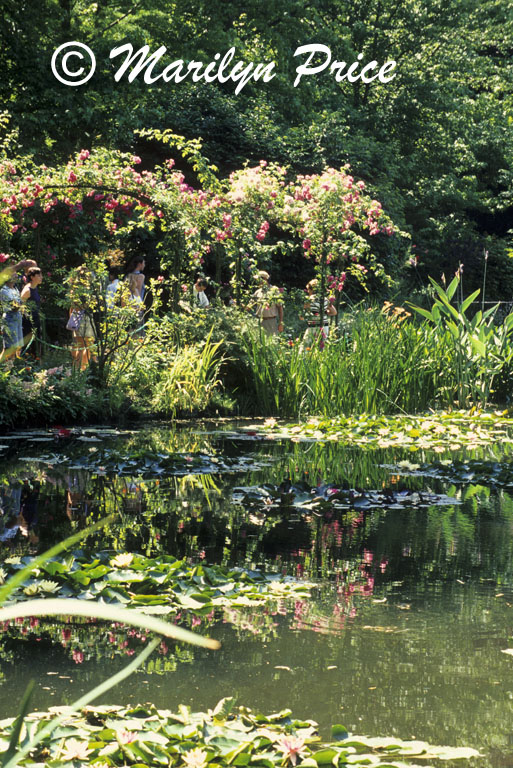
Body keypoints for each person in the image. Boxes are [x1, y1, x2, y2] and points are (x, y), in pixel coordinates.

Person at [67, 265, 96, 370]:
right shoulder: (84, 290)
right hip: (84, 318)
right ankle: (83, 369)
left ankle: (78, 370)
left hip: (76, 318)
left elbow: (71, 307)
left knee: (80, 346)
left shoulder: (73, 289)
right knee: (86, 346)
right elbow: (84, 306)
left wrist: (71, 320)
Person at [301, 278, 336, 349]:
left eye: (308, 289)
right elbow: (334, 312)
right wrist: (324, 312)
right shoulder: (325, 299)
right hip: (324, 326)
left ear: (311, 289)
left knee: (305, 347)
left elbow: (302, 316)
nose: (308, 292)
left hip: (313, 326)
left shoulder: (309, 299)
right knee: (322, 348)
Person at [249, 270, 284, 335]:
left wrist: (280, 323)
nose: (257, 282)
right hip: (259, 322)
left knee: (271, 342)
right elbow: (249, 306)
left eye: (258, 280)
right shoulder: (257, 292)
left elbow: (280, 308)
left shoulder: (274, 290)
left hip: (271, 322)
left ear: (265, 279)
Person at [21, 267, 43, 354]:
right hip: (28, 322)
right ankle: (23, 363)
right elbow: (20, 305)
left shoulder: (35, 288)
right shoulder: (27, 290)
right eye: (39, 275)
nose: (41, 277)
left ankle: (35, 363)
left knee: (36, 345)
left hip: (35, 319)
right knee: (27, 345)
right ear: (32, 277)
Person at [0, 274, 23, 358]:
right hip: (10, 319)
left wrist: (20, 305)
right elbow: (14, 306)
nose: (16, 275)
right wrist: (21, 305)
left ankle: (15, 367)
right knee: (9, 348)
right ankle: (5, 368)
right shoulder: (4, 290)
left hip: (18, 318)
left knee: (18, 347)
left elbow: (19, 303)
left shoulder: (15, 289)